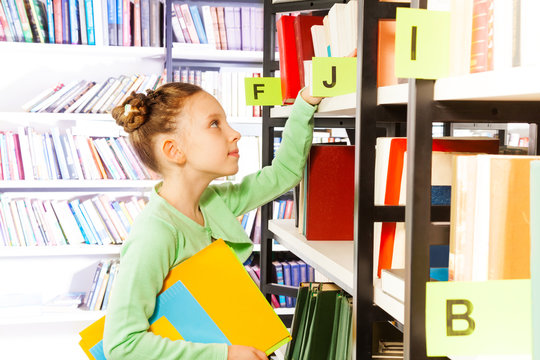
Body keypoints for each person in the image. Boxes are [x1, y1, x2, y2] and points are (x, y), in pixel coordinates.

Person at [103, 82, 322, 360]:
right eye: (215, 124)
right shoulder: (155, 233)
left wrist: (305, 102)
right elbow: (122, 346)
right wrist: (227, 355)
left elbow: (284, 173)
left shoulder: (214, 202)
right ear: (174, 150)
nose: (235, 134)